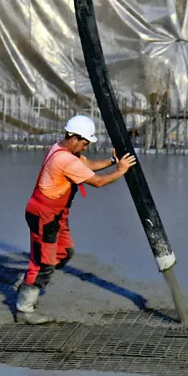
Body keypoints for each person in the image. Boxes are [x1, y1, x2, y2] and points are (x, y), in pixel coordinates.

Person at [16, 115, 137, 325]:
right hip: (44, 215)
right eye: (84, 142)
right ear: (73, 138)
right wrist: (120, 171)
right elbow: (98, 182)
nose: (86, 146)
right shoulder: (64, 159)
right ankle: (24, 309)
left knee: (65, 252)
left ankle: (28, 280)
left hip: (56, 215)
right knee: (43, 263)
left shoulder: (62, 150)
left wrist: (112, 162)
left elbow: (87, 165)